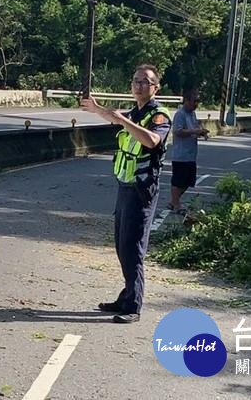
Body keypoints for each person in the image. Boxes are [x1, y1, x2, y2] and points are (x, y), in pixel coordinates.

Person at [80, 64, 171, 324]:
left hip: (142, 189)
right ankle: (126, 295)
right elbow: (116, 118)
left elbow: (152, 141)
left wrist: (122, 120)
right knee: (121, 245)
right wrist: (98, 109)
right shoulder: (135, 112)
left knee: (133, 249)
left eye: (145, 82)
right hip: (125, 185)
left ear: (156, 88)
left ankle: (133, 305)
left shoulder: (159, 115)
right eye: (136, 81)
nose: (139, 85)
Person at [168, 89, 208, 214]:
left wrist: (200, 131)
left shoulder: (192, 114)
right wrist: (195, 131)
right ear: (186, 101)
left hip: (191, 154)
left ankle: (173, 201)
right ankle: (176, 204)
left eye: (198, 101)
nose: (196, 104)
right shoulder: (180, 114)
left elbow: (193, 129)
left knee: (188, 181)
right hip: (181, 154)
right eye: (194, 101)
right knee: (178, 180)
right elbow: (178, 131)